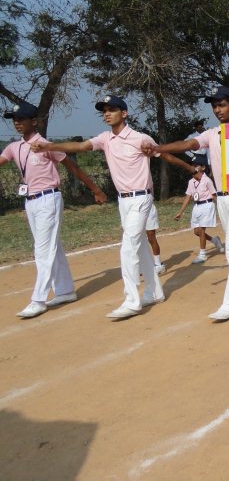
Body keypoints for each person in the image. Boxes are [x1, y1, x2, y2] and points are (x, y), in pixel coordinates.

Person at [31, 95, 179, 318]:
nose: (107, 114)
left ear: (124, 113)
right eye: (104, 111)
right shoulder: (105, 139)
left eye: (112, 109)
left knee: (128, 248)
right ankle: (155, 291)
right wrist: (48, 146)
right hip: (123, 201)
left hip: (141, 198)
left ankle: (132, 301)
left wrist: (190, 168)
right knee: (139, 246)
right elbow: (80, 146)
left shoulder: (140, 138)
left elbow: (163, 153)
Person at [145, 86, 229, 320]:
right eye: (215, 106)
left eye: (222, 105)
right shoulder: (211, 134)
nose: (218, 110)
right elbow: (188, 145)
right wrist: (158, 148)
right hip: (223, 198)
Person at [1, 101, 107, 318]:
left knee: (42, 250)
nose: (17, 123)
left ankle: (38, 300)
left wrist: (96, 190)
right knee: (52, 247)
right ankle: (66, 290)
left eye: (21, 119)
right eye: (14, 120)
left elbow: (73, 167)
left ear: (34, 122)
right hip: (30, 201)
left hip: (48, 198)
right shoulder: (14, 147)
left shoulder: (46, 145)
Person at [174, 165, 224, 264]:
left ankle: (202, 255)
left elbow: (214, 195)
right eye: (195, 172)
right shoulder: (191, 182)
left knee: (201, 230)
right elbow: (188, 197)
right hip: (196, 206)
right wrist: (180, 212)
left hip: (207, 205)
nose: (197, 173)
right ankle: (214, 240)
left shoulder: (207, 180)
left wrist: (221, 207)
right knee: (197, 232)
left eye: (198, 171)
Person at [145, 205, 165, 275]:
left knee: (151, 236)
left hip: (148, 209)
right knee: (138, 239)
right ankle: (142, 265)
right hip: (135, 211)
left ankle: (158, 264)